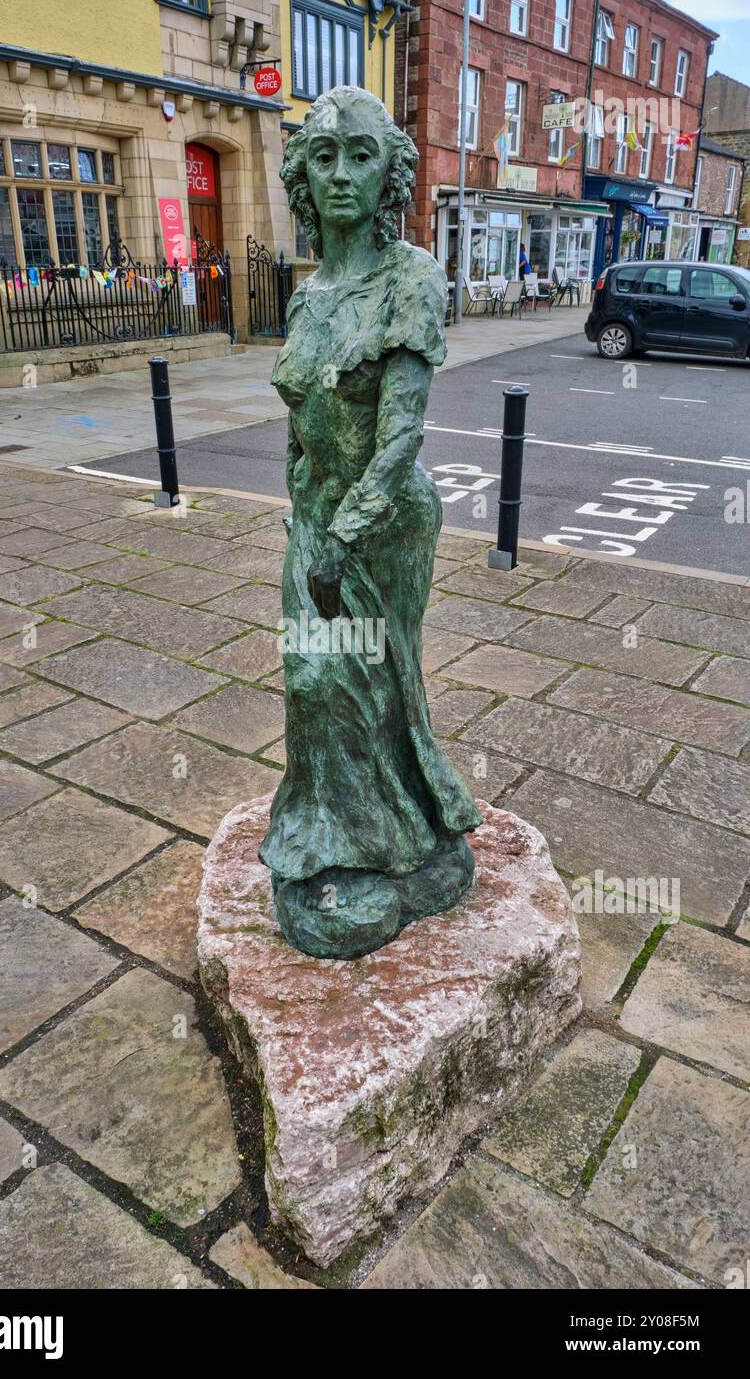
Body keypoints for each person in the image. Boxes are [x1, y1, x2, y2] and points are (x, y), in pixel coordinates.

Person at [259, 86, 483, 959]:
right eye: (324, 157)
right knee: (308, 686)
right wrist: (301, 513)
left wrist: (346, 531)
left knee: (357, 685)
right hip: (313, 517)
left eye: (360, 155)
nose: (341, 173)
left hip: (382, 522)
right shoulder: (309, 294)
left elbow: (400, 437)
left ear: (392, 168)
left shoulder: (412, 277)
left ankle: (396, 847)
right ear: (303, 178)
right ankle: (329, 848)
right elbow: (298, 421)